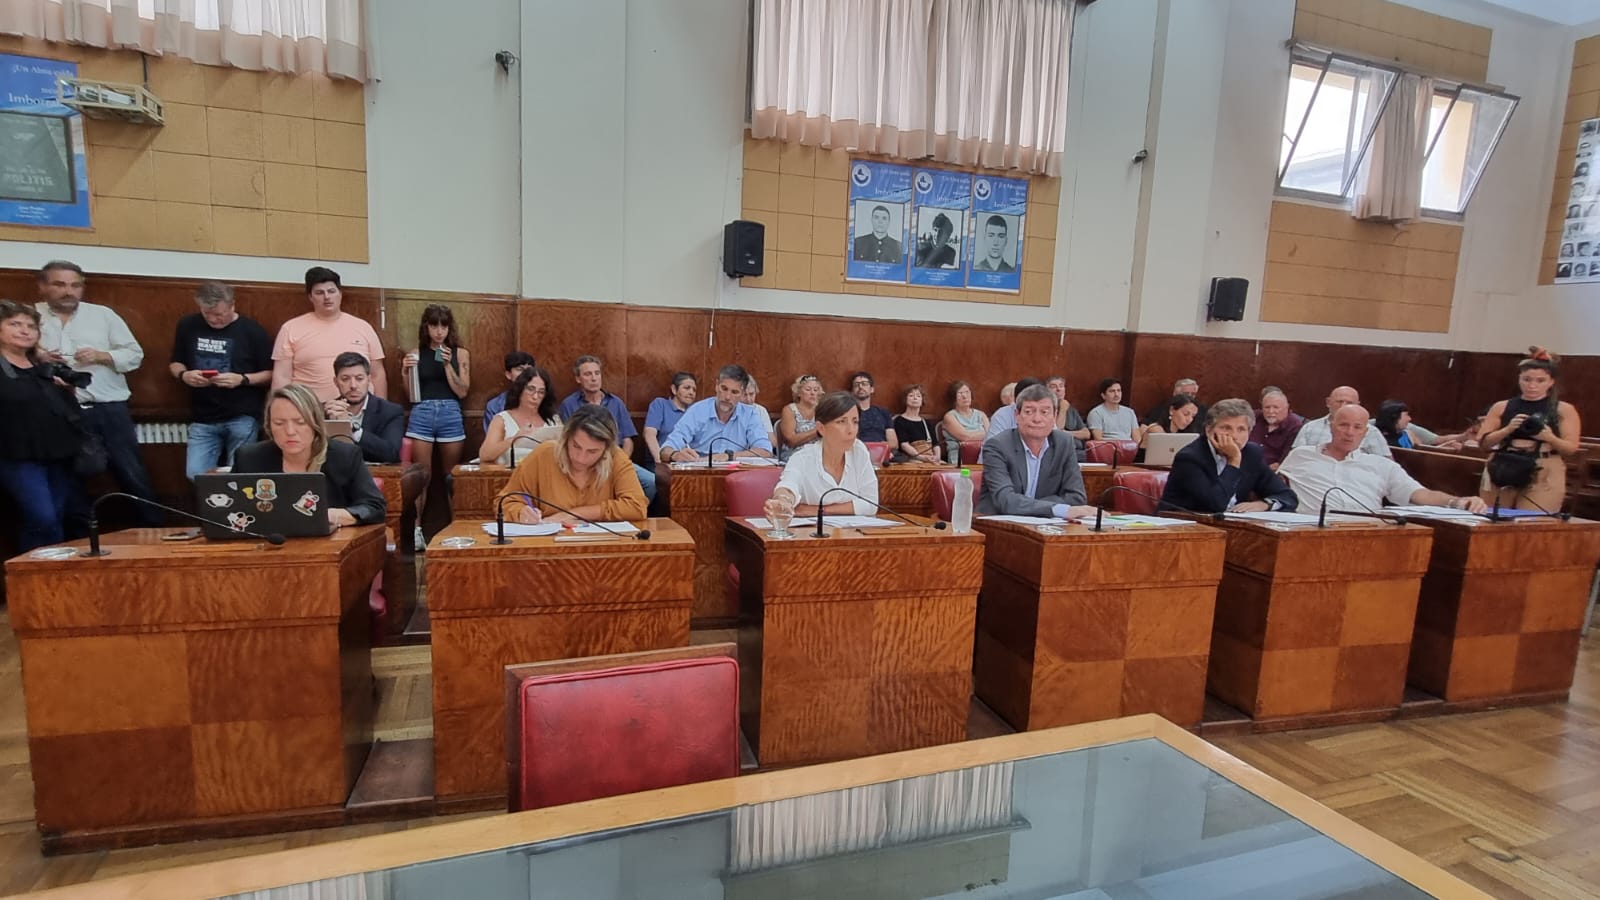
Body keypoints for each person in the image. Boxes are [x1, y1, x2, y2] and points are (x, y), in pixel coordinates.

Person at [34, 259, 160, 524]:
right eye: (59, 285)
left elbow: (134, 355)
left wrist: (102, 355)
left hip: (108, 409)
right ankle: (77, 539)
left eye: (75, 285)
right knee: (68, 481)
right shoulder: (29, 317)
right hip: (56, 412)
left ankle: (154, 531)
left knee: (132, 475)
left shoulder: (103, 315)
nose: (68, 291)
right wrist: (39, 355)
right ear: (42, 287)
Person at [1278, 405, 1488, 515]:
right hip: (1310, 531)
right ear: (1331, 427)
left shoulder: (1381, 466)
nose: (1349, 432)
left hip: (1365, 533)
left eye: (1357, 427)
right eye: (1343, 425)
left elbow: (1420, 494)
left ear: (1366, 432)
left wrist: (1457, 501)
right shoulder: (1301, 455)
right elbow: (1274, 489)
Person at [233, 384, 386, 528]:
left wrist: (332, 515)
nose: (290, 431)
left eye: (300, 422)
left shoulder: (345, 456)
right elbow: (228, 508)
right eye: (279, 423)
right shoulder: (249, 458)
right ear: (269, 426)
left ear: (316, 423)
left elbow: (374, 507)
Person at [0, 299, 84, 550]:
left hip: (58, 452)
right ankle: (29, 569)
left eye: (31, 326)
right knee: (42, 517)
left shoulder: (43, 365)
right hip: (16, 455)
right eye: (15, 324)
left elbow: (67, 410)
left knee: (56, 518)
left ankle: (50, 570)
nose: (25, 331)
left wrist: (67, 391)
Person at [169, 281, 273, 480]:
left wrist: (242, 379)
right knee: (196, 475)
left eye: (219, 314)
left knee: (240, 476)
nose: (213, 319)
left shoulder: (252, 331)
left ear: (232, 305)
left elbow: (270, 374)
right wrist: (184, 375)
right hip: (202, 416)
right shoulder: (188, 325)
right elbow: (175, 362)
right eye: (206, 313)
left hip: (242, 415)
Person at [497, 404, 648, 524]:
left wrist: (576, 514)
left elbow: (637, 506)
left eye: (592, 452)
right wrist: (521, 512)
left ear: (606, 450)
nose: (581, 458)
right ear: (566, 438)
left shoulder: (616, 457)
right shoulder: (544, 454)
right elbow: (505, 502)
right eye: (576, 446)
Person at [1477, 346, 1584, 511]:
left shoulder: (1563, 409)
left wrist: (1549, 437)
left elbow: (1570, 448)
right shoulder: (1501, 406)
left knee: (1531, 519)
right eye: (1526, 379)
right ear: (1519, 379)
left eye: (1540, 381)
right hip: (1504, 465)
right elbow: (1483, 443)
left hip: (1544, 467)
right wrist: (1507, 429)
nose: (1532, 385)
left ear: (1551, 382)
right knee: (1493, 515)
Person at [400, 304, 471, 548]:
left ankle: (456, 529)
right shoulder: (416, 353)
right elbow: (411, 395)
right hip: (422, 411)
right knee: (422, 476)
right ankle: (417, 530)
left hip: (450, 411)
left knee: (451, 477)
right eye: (434, 325)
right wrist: (405, 372)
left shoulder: (460, 354)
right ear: (426, 327)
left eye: (444, 326)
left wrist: (447, 365)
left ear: (449, 328)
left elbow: (463, 391)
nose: (439, 331)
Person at [978, 384, 1094, 518]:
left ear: (1055, 416)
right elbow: (1005, 500)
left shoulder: (1063, 443)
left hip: (1048, 524)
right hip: (999, 523)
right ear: (1017, 415)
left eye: (1044, 412)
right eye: (1029, 412)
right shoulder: (997, 446)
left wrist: (1032, 507)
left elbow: (1077, 497)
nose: (1037, 419)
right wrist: (1056, 509)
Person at [1160, 399, 1296, 514]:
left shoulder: (1252, 453)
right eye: (1226, 428)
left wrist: (1265, 504)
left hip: (1233, 527)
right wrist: (1234, 460)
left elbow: (1288, 497)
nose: (1234, 436)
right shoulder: (1189, 458)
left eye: (1241, 429)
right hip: (1187, 527)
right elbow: (1216, 505)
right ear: (1209, 430)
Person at [271, 266, 386, 402]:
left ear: (340, 294)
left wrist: (381, 409)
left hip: (359, 408)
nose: (327, 297)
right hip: (310, 408)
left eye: (331, 291)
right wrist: (279, 408)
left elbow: (377, 374)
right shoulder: (290, 329)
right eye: (319, 293)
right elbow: (282, 377)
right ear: (310, 297)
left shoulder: (363, 327)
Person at [558, 354, 655, 502]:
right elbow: (566, 439)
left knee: (651, 482)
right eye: (588, 374)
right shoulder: (569, 404)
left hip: (615, 458)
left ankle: (628, 512)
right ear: (578, 379)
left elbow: (628, 440)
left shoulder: (616, 402)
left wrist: (621, 463)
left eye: (597, 373)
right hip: (585, 460)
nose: (594, 378)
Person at [767, 391, 880, 518]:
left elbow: (871, 504)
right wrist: (782, 501)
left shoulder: (859, 450)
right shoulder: (802, 458)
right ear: (821, 428)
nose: (851, 430)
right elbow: (788, 486)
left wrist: (817, 510)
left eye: (855, 422)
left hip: (854, 529)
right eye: (841, 422)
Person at [660, 364, 775, 461]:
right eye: (724, 389)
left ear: (742, 394)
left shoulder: (750, 414)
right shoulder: (697, 410)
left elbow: (765, 450)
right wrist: (675, 455)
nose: (727, 397)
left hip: (736, 474)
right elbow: (665, 449)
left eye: (734, 392)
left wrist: (729, 456)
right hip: (701, 473)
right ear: (716, 386)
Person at [325, 352, 406, 464]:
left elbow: (391, 454)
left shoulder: (390, 411)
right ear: (336, 382)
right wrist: (332, 424)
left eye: (359, 378)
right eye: (345, 379)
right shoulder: (326, 411)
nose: (353, 385)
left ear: (369, 379)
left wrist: (352, 428)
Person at [479, 365, 562, 467]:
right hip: (510, 474)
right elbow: (485, 455)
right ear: (520, 389)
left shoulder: (553, 420)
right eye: (531, 389)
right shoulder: (502, 419)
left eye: (541, 392)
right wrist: (514, 439)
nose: (535, 396)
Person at [1292, 385, 1392, 458]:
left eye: (1349, 403)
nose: (1343, 406)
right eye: (1339, 402)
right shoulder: (1309, 428)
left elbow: (1386, 464)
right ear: (1328, 402)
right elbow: (1296, 457)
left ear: (1357, 405)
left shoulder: (1371, 431)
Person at [644, 371, 696, 463]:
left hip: (688, 464)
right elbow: (649, 434)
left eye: (694, 390)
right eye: (687, 388)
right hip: (662, 462)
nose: (691, 392)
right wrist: (660, 460)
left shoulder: (695, 410)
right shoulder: (660, 404)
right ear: (674, 389)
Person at [1249, 387, 1304, 470]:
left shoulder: (1295, 426)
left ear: (1286, 408)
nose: (1271, 411)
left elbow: (1285, 461)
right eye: (1267, 407)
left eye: (1276, 407)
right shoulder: (1255, 416)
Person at [482, 351, 535, 432]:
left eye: (529, 370)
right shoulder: (494, 406)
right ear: (508, 374)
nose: (525, 374)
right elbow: (492, 437)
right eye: (520, 369)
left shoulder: (543, 401)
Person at [777, 373, 823, 461]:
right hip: (794, 455)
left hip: (818, 454)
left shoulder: (823, 409)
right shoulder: (789, 410)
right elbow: (791, 440)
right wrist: (817, 431)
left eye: (816, 390)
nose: (812, 393)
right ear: (798, 393)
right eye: (808, 389)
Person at [941, 380, 989, 461]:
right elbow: (965, 437)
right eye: (960, 393)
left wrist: (984, 434)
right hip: (959, 457)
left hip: (982, 454)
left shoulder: (981, 414)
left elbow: (991, 435)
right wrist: (985, 433)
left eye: (967, 392)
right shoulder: (950, 416)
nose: (965, 396)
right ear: (954, 397)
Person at [892, 383, 941, 463]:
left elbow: (935, 444)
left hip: (931, 458)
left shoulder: (926, 422)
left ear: (922, 401)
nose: (915, 398)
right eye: (911, 396)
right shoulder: (899, 421)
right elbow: (904, 445)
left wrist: (937, 457)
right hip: (912, 459)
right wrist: (921, 457)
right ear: (905, 399)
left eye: (918, 396)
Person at [849, 371, 898, 447]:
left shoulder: (883, 412)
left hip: (882, 451)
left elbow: (894, 443)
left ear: (872, 389)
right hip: (858, 450)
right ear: (852, 392)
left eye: (864, 384)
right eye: (856, 385)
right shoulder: (848, 413)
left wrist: (882, 447)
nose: (860, 387)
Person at [1046, 375, 1090, 441]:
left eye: (1061, 386)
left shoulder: (1071, 409)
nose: (1058, 389)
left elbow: (1087, 434)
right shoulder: (1046, 410)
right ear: (1046, 391)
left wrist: (1066, 433)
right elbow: (1057, 433)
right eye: (1054, 387)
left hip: (1077, 446)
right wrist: (1063, 410)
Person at [743, 373, 778, 449]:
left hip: (758, 451)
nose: (748, 399)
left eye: (751, 394)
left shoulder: (761, 410)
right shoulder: (730, 411)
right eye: (744, 395)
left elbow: (773, 442)